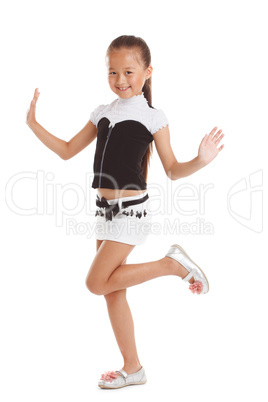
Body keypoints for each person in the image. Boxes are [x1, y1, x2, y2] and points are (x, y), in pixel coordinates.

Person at [26, 35, 225, 390]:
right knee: (112, 291)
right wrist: (33, 125)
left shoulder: (154, 118)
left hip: (131, 215)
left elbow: (173, 169)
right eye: (113, 72)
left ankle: (172, 265)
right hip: (104, 213)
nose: (121, 80)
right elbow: (68, 150)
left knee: (95, 282)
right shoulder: (102, 113)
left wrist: (201, 160)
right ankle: (133, 369)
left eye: (129, 71)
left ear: (147, 72)